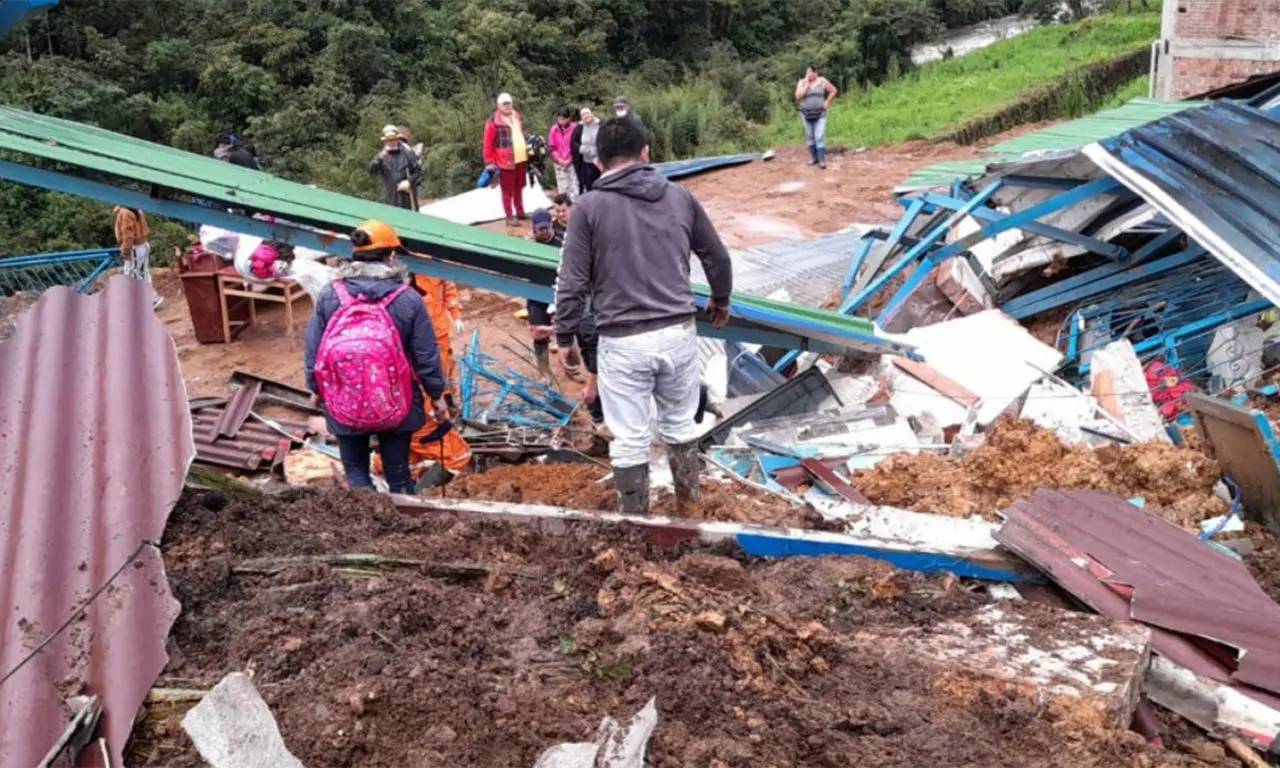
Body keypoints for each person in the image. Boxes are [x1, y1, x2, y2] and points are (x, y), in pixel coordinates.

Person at [556, 118, 733, 515]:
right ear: (646, 153)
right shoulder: (679, 197)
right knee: (680, 426)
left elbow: (572, 281)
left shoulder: (588, 207)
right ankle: (690, 511)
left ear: (598, 163)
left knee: (631, 438)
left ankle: (637, 525)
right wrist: (720, 301)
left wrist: (564, 335)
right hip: (677, 332)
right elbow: (717, 257)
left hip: (622, 341)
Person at [304, 220, 449, 494]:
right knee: (398, 473)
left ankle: (367, 523)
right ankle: (405, 526)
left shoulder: (330, 295)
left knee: (356, 472)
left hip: (344, 400)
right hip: (398, 401)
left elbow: (314, 348)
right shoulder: (407, 299)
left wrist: (315, 387)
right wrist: (437, 395)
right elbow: (426, 355)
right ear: (392, 256)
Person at [483, 92, 529, 227]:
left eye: (509, 103)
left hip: (521, 158)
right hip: (505, 160)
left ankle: (520, 211)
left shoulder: (517, 115)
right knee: (507, 190)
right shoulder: (492, 121)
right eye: (504, 104)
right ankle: (509, 216)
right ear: (498, 105)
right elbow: (487, 143)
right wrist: (489, 162)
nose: (508, 106)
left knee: (519, 186)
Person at [113, 205, 161, 308]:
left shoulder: (125, 212)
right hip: (143, 245)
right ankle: (151, 299)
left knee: (131, 275)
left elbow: (128, 235)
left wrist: (125, 250)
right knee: (143, 273)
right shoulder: (136, 207)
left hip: (134, 248)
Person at [368, 125, 423, 209]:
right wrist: (379, 158)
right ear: (385, 141)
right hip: (391, 199)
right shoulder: (381, 156)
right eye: (389, 140)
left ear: (397, 139)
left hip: (407, 198)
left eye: (393, 139)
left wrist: (409, 182)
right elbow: (370, 170)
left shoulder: (407, 153)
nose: (391, 142)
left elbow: (417, 171)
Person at [795, 66, 838, 169]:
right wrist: (806, 86)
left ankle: (822, 161)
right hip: (806, 114)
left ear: (816, 73)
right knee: (810, 136)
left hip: (820, 113)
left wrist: (827, 101)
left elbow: (833, 90)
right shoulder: (802, 82)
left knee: (819, 136)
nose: (809, 75)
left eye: (811, 72)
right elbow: (798, 97)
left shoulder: (822, 81)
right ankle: (814, 158)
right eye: (807, 73)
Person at [547, 107, 579, 201]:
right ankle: (564, 207)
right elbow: (551, 147)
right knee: (563, 188)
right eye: (559, 119)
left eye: (564, 119)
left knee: (574, 187)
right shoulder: (554, 129)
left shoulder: (574, 128)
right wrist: (558, 159)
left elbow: (576, 146)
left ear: (569, 118)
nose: (561, 121)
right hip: (559, 162)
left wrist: (570, 159)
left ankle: (574, 208)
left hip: (572, 161)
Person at [570, 107, 601, 194]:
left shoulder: (601, 125)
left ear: (592, 114)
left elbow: (606, 139)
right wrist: (581, 149)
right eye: (583, 115)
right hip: (586, 162)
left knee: (601, 184)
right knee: (589, 185)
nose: (585, 116)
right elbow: (573, 142)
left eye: (587, 113)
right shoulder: (579, 128)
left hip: (600, 161)